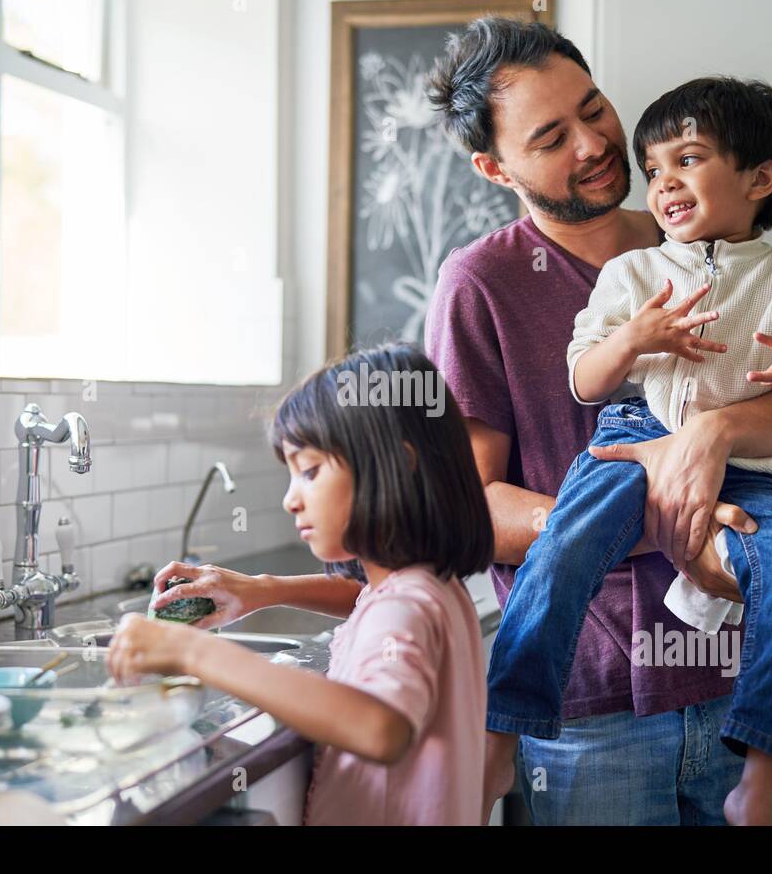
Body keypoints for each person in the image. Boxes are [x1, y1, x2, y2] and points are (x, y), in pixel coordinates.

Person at [424, 17, 772, 824]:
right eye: (553, 136)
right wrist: (666, 520)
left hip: (736, 680)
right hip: (591, 715)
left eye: (594, 109)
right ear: (495, 167)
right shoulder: (480, 285)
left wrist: (716, 434)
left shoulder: (706, 246)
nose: (596, 145)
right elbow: (468, 507)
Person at [107, 343, 492, 825]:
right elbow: (367, 600)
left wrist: (193, 652)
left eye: (309, 471)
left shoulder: (405, 607)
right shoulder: (428, 585)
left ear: (399, 463)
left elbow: (381, 727)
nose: (291, 499)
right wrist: (265, 590)